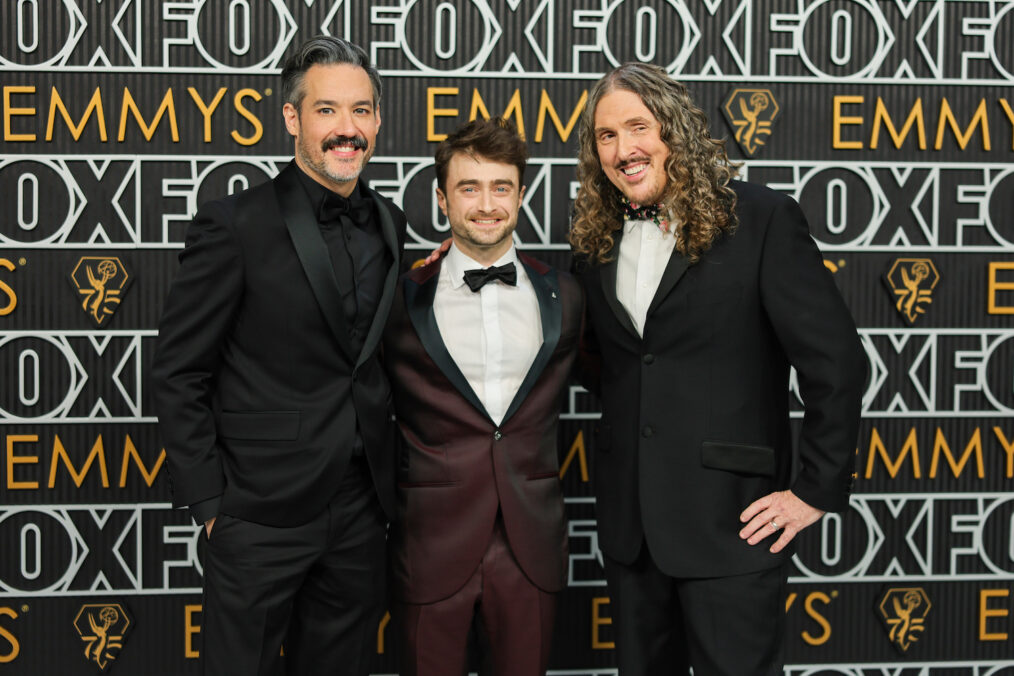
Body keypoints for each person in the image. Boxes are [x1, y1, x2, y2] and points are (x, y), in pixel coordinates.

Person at [570, 62, 865, 675]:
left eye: (638, 127)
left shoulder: (759, 220)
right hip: (632, 532)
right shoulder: (593, 241)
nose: (624, 149)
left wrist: (814, 491)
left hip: (733, 524)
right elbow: (602, 359)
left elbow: (835, 363)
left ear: (673, 130)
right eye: (605, 136)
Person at [150, 36, 406, 675]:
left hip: (358, 509)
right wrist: (211, 507)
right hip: (257, 512)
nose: (346, 130)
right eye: (326, 111)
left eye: (361, 111)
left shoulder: (391, 223)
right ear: (292, 119)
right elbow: (180, 370)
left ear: (377, 119)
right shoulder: (235, 224)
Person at [382, 118, 583, 676]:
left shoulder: (566, 294)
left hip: (531, 548)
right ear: (441, 197)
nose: (487, 204)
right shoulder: (398, 298)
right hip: (430, 544)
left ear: (522, 193)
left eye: (501, 187)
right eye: (469, 188)